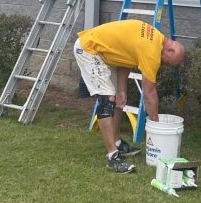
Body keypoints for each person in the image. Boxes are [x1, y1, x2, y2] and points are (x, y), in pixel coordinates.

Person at [74, 19, 186, 173]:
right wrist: (156, 128)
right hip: (88, 49)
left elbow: (124, 57)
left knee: (119, 100)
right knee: (107, 100)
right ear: (170, 51)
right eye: (168, 63)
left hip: (105, 53)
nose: (164, 65)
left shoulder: (156, 37)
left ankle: (117, 142)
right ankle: (113, 157)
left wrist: (122, 90)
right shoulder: (152, 51)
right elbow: (149, 94)